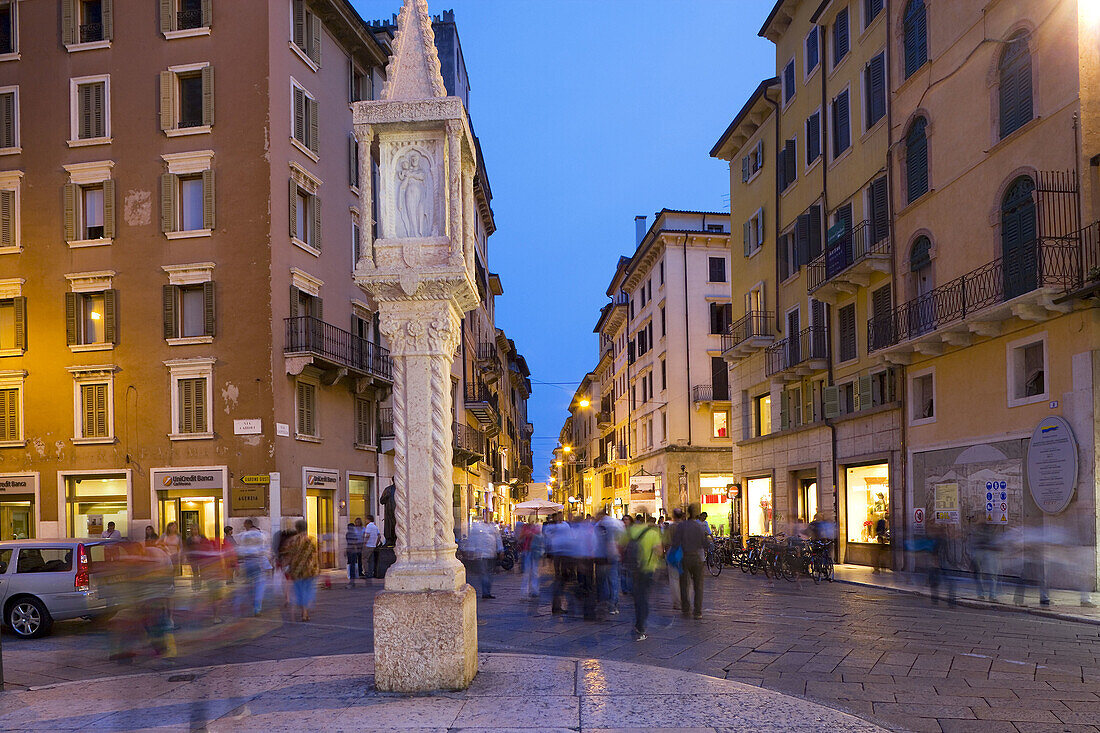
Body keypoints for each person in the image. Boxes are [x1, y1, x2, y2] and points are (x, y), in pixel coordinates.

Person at [620, 512, 660, 642]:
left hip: (634, 568)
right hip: (647, 569)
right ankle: (641, 625)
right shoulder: (653, 532)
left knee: (637, 596)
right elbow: (659, 551)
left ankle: (639, 622)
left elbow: (620, 546)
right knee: (644, 597)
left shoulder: (631, 531)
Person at [672, 503, 707, 619]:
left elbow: (676, 543)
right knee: (698, 586)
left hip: (685, 557)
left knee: (684, 584)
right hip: (696, 558)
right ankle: (697, 611)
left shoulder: (682, 526)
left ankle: (685, 607)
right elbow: (705, 543)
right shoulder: (699, 527)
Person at [284, 519, 319, 622]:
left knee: (300, 591)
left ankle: (303, 611)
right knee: (308, 591)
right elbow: (316, 554)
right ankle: (305, 613)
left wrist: (285, 566)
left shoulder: (292, 541)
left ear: (297, 528)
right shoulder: (312, 539)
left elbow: (289, 555)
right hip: (310, 569)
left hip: (297, 570)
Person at [236, 518, 268, 616]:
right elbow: (264, 549)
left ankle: (253, 603)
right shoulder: (261, 535)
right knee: (259, 585)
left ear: (248, 525)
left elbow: (240, 551)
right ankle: (257, 607)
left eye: (245, 524)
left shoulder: (244, 535)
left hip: (248, 562)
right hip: (258, 562)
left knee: (250, 586)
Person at [596, 510, 625, 615]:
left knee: (604, 581)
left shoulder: (599, 525)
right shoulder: (618, 523)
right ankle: (614, 605)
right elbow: (623, 540)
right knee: (614, 581)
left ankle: (606, 604)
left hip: (604, 556)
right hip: (615, 555)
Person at [465, 518, 503, 599]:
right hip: (481, 554)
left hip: (491, 554)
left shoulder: (494, 527)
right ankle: (485, 592)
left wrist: (500, 549)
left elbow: (498, 538)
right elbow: (473, 539)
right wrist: (471, 550)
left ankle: (487, 591)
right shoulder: (477, 527)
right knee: (484, 573)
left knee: (489, 573)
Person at [345, 522, 364, 588]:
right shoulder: (352, 534)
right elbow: (354, 542)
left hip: (350, 550)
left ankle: (352, 578)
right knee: (352, 564)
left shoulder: (349, 534)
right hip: (352, 550)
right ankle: (352, 578)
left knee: (351, 564)